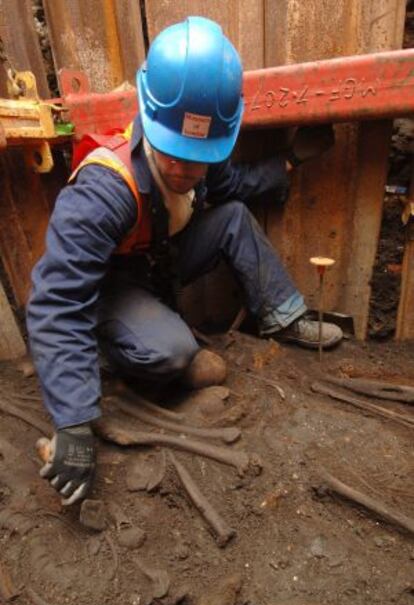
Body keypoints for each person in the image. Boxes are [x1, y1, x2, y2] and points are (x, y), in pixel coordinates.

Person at [27, 16, 342, 505]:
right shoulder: (103, 192)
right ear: (150, 119)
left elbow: (232, 188)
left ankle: (285, 317)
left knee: (233, 216)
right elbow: (55, 302)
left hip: (163, 261)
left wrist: (288, 162)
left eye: (199, 157)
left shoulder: (199, 162)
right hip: (112, 288)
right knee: (172, 352)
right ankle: (105, 353)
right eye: (173, 154)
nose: (185, 169)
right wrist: (72, 421)